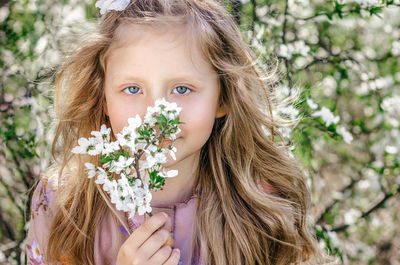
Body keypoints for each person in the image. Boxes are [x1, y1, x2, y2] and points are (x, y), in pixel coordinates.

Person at [26, 0, 332, 264]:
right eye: (132, 89)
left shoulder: (262, 208)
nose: (155, 114)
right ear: (102, 97)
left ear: (223, 98)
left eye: (182, 89)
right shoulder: (62, 205)